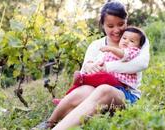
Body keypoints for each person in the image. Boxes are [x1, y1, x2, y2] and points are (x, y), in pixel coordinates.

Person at [34, 1, 150, 130]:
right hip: (98, 95)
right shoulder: (96, 45)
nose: (117, 30)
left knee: (104, 89)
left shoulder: (137, 39)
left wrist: (106, 67)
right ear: (103, 25)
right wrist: (89, 67)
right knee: (81, 92)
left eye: (121, 24)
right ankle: (49, 123)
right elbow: (86, 70)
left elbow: (141, 64)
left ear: (126, 21)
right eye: (110, 26)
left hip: (126, 97)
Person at [52, 26, 146, 105]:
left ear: (139, 46)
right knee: (85, 83)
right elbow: (102, 61)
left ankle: (82, 79)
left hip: (121, 86)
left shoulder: (134, 52)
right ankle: (66, 99)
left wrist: (111, 49)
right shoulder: (113, 51)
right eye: (124, 38)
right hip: (112, 82)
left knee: (105, 76)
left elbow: (124, 54)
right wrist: (94, 65)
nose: (126, 41)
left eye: (132, 41)